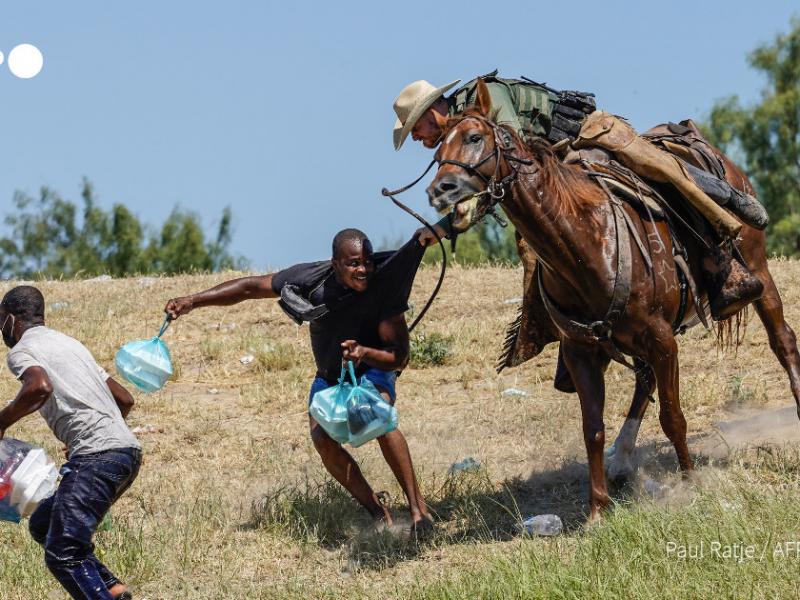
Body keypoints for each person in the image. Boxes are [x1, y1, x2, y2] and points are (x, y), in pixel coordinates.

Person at [392, 71, 768, 383]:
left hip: (588, 137)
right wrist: (444, 226)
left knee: (660, 173)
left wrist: (446, 225)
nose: (415, 137)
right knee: (538, 246)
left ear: (432, 111)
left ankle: (725, 248)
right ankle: (571, 331)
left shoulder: (483, 100)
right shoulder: (458, 138)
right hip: (557, 169)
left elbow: (511, 158)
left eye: (415, 127)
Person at [164, 226, 445, 534]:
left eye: (367, 261)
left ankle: (419, 511)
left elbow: (399, 357)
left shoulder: (385, 285)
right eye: (353, 263)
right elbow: (249, 287)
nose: (363, 269)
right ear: (335, 263)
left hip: (374, 368)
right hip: (330, 377)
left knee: (375, 416)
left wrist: (364, 352)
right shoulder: (310, 279)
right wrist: (193, 301)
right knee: (322, 440)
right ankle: (378, 512)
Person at [0, 286, 140, 600]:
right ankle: (112, 588)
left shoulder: (22, 349)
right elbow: (125, 399)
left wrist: (2, 422)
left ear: (10, 319)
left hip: (97, 456)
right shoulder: (71, 344)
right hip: (126, 453)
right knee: (43, 523)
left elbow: (39, 386)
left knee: (63, 554)